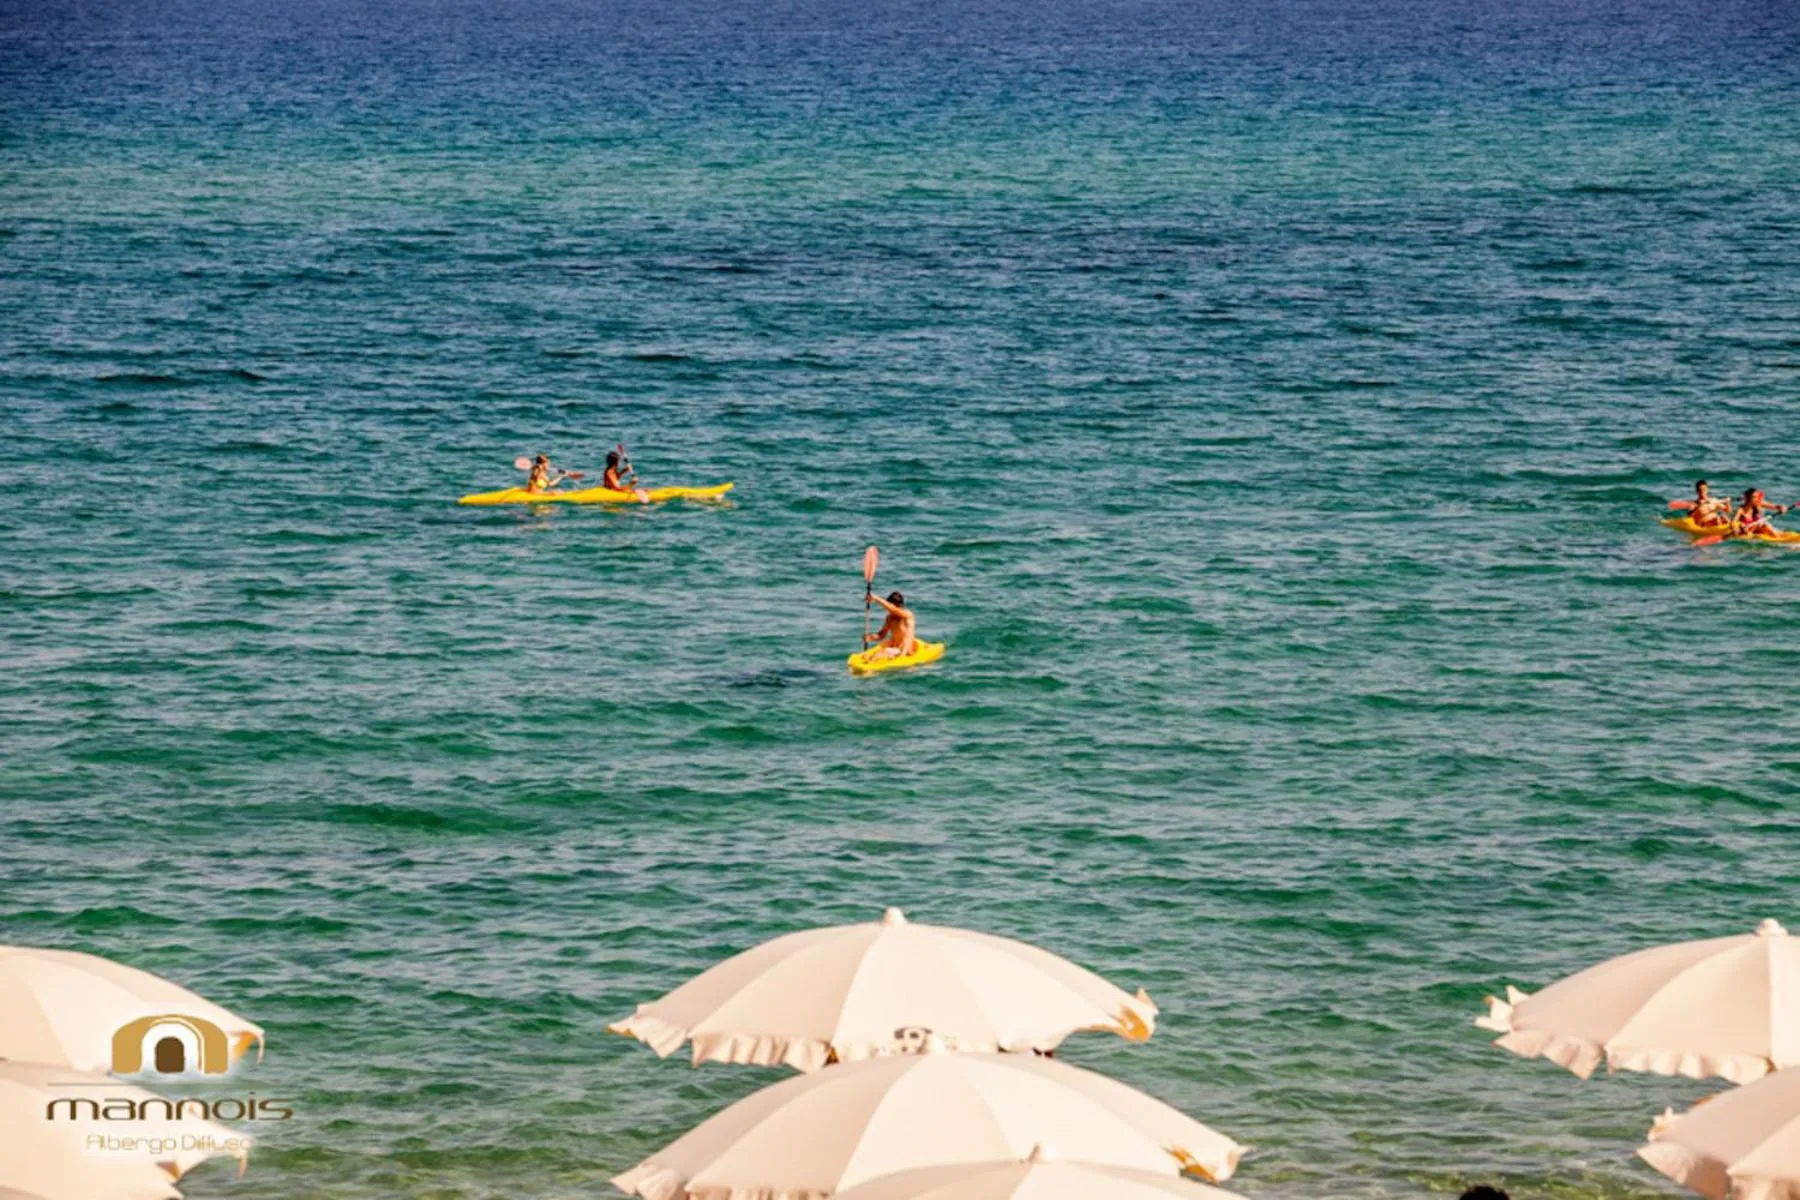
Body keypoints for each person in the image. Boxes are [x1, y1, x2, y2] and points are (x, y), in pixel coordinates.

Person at [864, 591, 918, 661]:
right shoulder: (890, 618)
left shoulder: (908, 615)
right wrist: (871, 637)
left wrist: (876, 598)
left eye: (890, 606)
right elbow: (881, 635)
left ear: (900, 605)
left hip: (905, 651)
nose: (888, 609)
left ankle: (869, 669)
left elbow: (894, 609)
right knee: (872, 655)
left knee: (878, 655)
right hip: (893, 649)